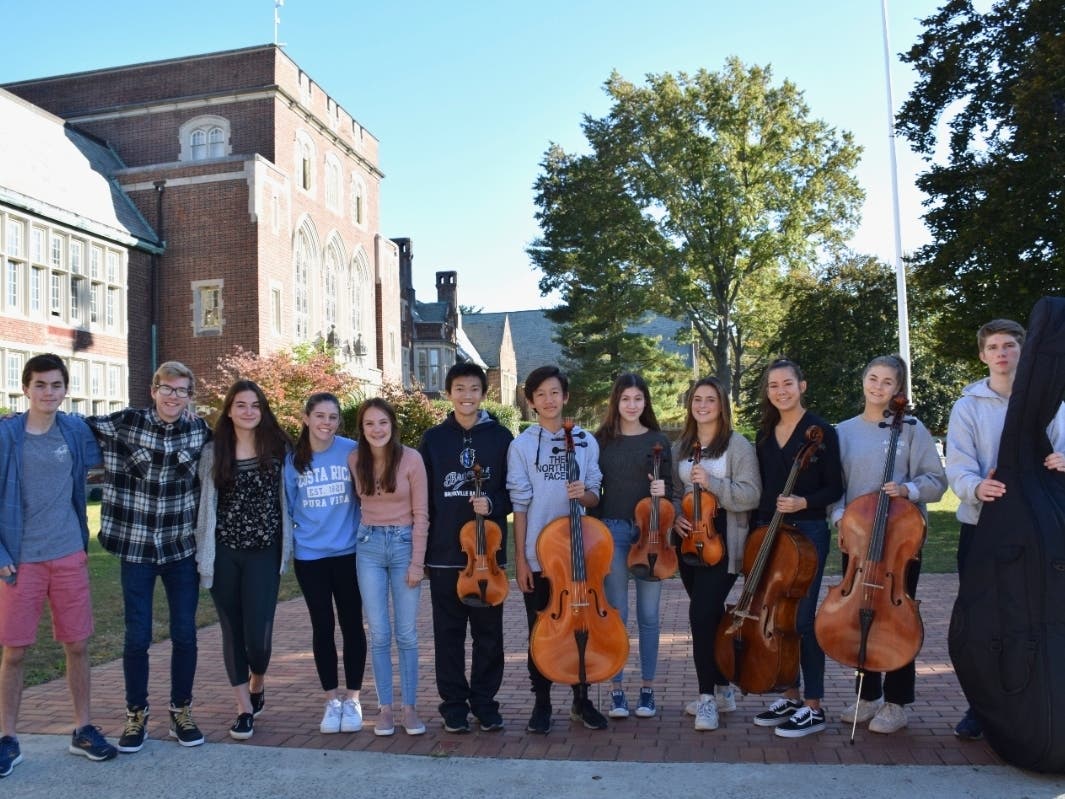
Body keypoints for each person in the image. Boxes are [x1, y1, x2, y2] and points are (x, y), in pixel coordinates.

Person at [945, 319, 1065, 739]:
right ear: (982, 355)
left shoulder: (1050, 399)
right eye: (993, 347)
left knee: (1033, 617)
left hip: (1034, 530)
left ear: (1023, 350)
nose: (1002, 353)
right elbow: (958, 464)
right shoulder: (967, 406)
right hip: (982, 526)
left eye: (1010, 345)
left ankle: (1038, 703)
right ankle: (980, 708)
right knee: (982, 623)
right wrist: (977, 486)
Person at [0, 354, 117, 777]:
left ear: (65, 389)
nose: (48, 392)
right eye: (40, 385)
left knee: (78, 644)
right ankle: (7, 738)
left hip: (68, 552)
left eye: (56, 385)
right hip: (21, 561)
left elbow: (113, 445)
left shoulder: (74, 429)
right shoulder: (7, 435)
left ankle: (83, 728)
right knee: (15, 651)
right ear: (26, 389)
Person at [86, 361, 210, 752]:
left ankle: (180, 712)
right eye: (167, 389)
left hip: (179, 549)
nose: (174, 397)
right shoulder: (125, 422)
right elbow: (73, 426)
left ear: (190, 396)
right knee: (137, 636)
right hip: (136, 548)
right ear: (153, 389)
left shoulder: (200, 432)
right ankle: (135, 715)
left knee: (185, 634)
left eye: (182, 391)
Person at [829, 355, 946, 734]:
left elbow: (936, 480)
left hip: (899, 541)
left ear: (899, 389)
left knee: (896, 619)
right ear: (863, 380)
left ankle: (897, 702)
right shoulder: (843, 431)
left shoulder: (911, 428)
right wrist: (840, 519)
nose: (877, 387)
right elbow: (835, 487)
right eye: (872, 378)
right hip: (858, 541)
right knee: (860, 614)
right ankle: (867, 696)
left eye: (887, 382)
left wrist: (908, 490)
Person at [507, 365, 607, 734]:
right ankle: (542, 703)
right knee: (541, 632)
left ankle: (582, 701)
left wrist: (586, 494)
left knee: (582, 629)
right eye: (540, 394)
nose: (548, 400)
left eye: (555, 392)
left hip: (577, 556)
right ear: (531, 402)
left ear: (565, 397)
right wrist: (520, 559)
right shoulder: (520, 446)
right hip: (538, 554)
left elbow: (596, 495)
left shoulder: (585, 441)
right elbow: (519, 506)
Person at [195, 380, 293, 741]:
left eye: (255, 405)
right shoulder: (212, 451)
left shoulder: (279, 448)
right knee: (232, 630)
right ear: (229, 410)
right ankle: (243, 709)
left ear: (263, 410)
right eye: (240, 405)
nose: (248, 411)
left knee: (259, 639)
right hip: (223, 553)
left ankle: (258, 681)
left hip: (265, 553)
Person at [419, 363, 513, 734]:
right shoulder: (433, 439)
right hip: (444, 553)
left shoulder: (502, 438)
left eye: (474, 389)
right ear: (448, 394)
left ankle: (485, 703)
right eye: (459, 388)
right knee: (448, 634)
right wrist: (424, 551)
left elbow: (514, 492)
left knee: (489, 634)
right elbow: (424, 498)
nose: (467, 395)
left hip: (487, 556)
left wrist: (493, 504)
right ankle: (453, 705)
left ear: (484, 394)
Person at [751, 358, 842, 738]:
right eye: (773, 386)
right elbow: (764, 490)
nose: (781, 391)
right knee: (779, 617)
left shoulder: (821, 430)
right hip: (770, 531)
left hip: (807, 531)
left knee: (802, 619)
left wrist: (804, 502)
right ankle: (790, 695)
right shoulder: (765, 431)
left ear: (802, 385)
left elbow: (834, 487)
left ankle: (814, 705)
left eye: (787, 383)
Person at [670, 377, 761, 731]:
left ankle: (706, 697)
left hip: (723, 540)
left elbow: (752, 494)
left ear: (722, 405)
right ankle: (723, 689)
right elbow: (678, 491)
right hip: (688, 541)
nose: (703, 405)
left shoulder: (737, 445)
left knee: (700, 615)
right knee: (709, 618)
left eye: (710, 399)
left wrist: (713, 484)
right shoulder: (682, 445)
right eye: (697, 398)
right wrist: (675, 515)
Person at [284, 393, 366, 735]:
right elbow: (289, 507)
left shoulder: (351, 450)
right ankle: (332, 700)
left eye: (333, 417)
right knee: (322, 627)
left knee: (352, 625)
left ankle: (354, 698)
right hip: (311, 557)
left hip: (348, 554)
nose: (326, 423)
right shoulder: (292, 461)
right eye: (320, 416)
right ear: (306, 418)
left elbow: (366, 495)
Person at [593, 373, 672, 720]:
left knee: (650, 616)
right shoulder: (602, 441)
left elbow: (671, 495)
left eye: (638, 399)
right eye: (626, 399)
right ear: (616, 402)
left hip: (650, 534)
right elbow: (595, 493)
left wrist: (662, 491)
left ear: (646, 402)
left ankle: (648, 690)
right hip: (612, 532)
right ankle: (617, 690)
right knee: (617, 614)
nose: (632, 405)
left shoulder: (658, 441)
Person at [348, 398, 429, 737]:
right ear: (362, 429)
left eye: (382, 423)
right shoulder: (355, 460)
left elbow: (422, 514)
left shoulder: (411, 459)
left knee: (406, 634)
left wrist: (417, 563)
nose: (376, 429)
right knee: (379, 634)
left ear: (392, 425)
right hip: (368, 548)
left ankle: (409, 708)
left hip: (403, 545)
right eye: (369, 424)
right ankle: (384, 710)